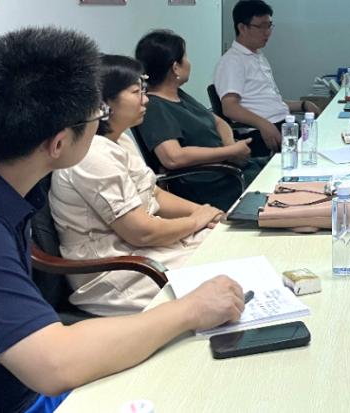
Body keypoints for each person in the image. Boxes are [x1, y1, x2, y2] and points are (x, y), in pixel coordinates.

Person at [0, 27, 245, 413]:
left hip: (11, 382)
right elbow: (54, 364)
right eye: (98, 114)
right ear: (59, 143)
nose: (102, 122)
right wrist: (192, 309)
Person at [50, 55, 225, 316]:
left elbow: (153, 194)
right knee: (225, 274)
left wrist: (205, 212)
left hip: (142, 252)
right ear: (104, 103)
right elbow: (141, 233)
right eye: (136, 92)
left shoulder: (119, 140)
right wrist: (195, 221)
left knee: (227, 241)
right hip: (116, 273)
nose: (145, 100)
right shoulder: (91, 154)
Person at [135, 29, 260, 211]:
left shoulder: (178, 95)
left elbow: (219, 122)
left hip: (231, 170)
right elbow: (173, 157)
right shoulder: (154, 107)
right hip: (211, 185)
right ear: (175, 68)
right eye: (186, 57)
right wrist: (229, 152)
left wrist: (229, 146)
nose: (189, 63)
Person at [214, 0, 320, 157]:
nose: (267, 32)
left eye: (269, 25)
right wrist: (263, 124)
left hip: (283, 125)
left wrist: (303, 105)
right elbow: (230, 108)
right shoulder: (232, 61)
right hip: (262, 134)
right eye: (261, 27)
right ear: (242, 28)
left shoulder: (257, 56)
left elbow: (267, 101)